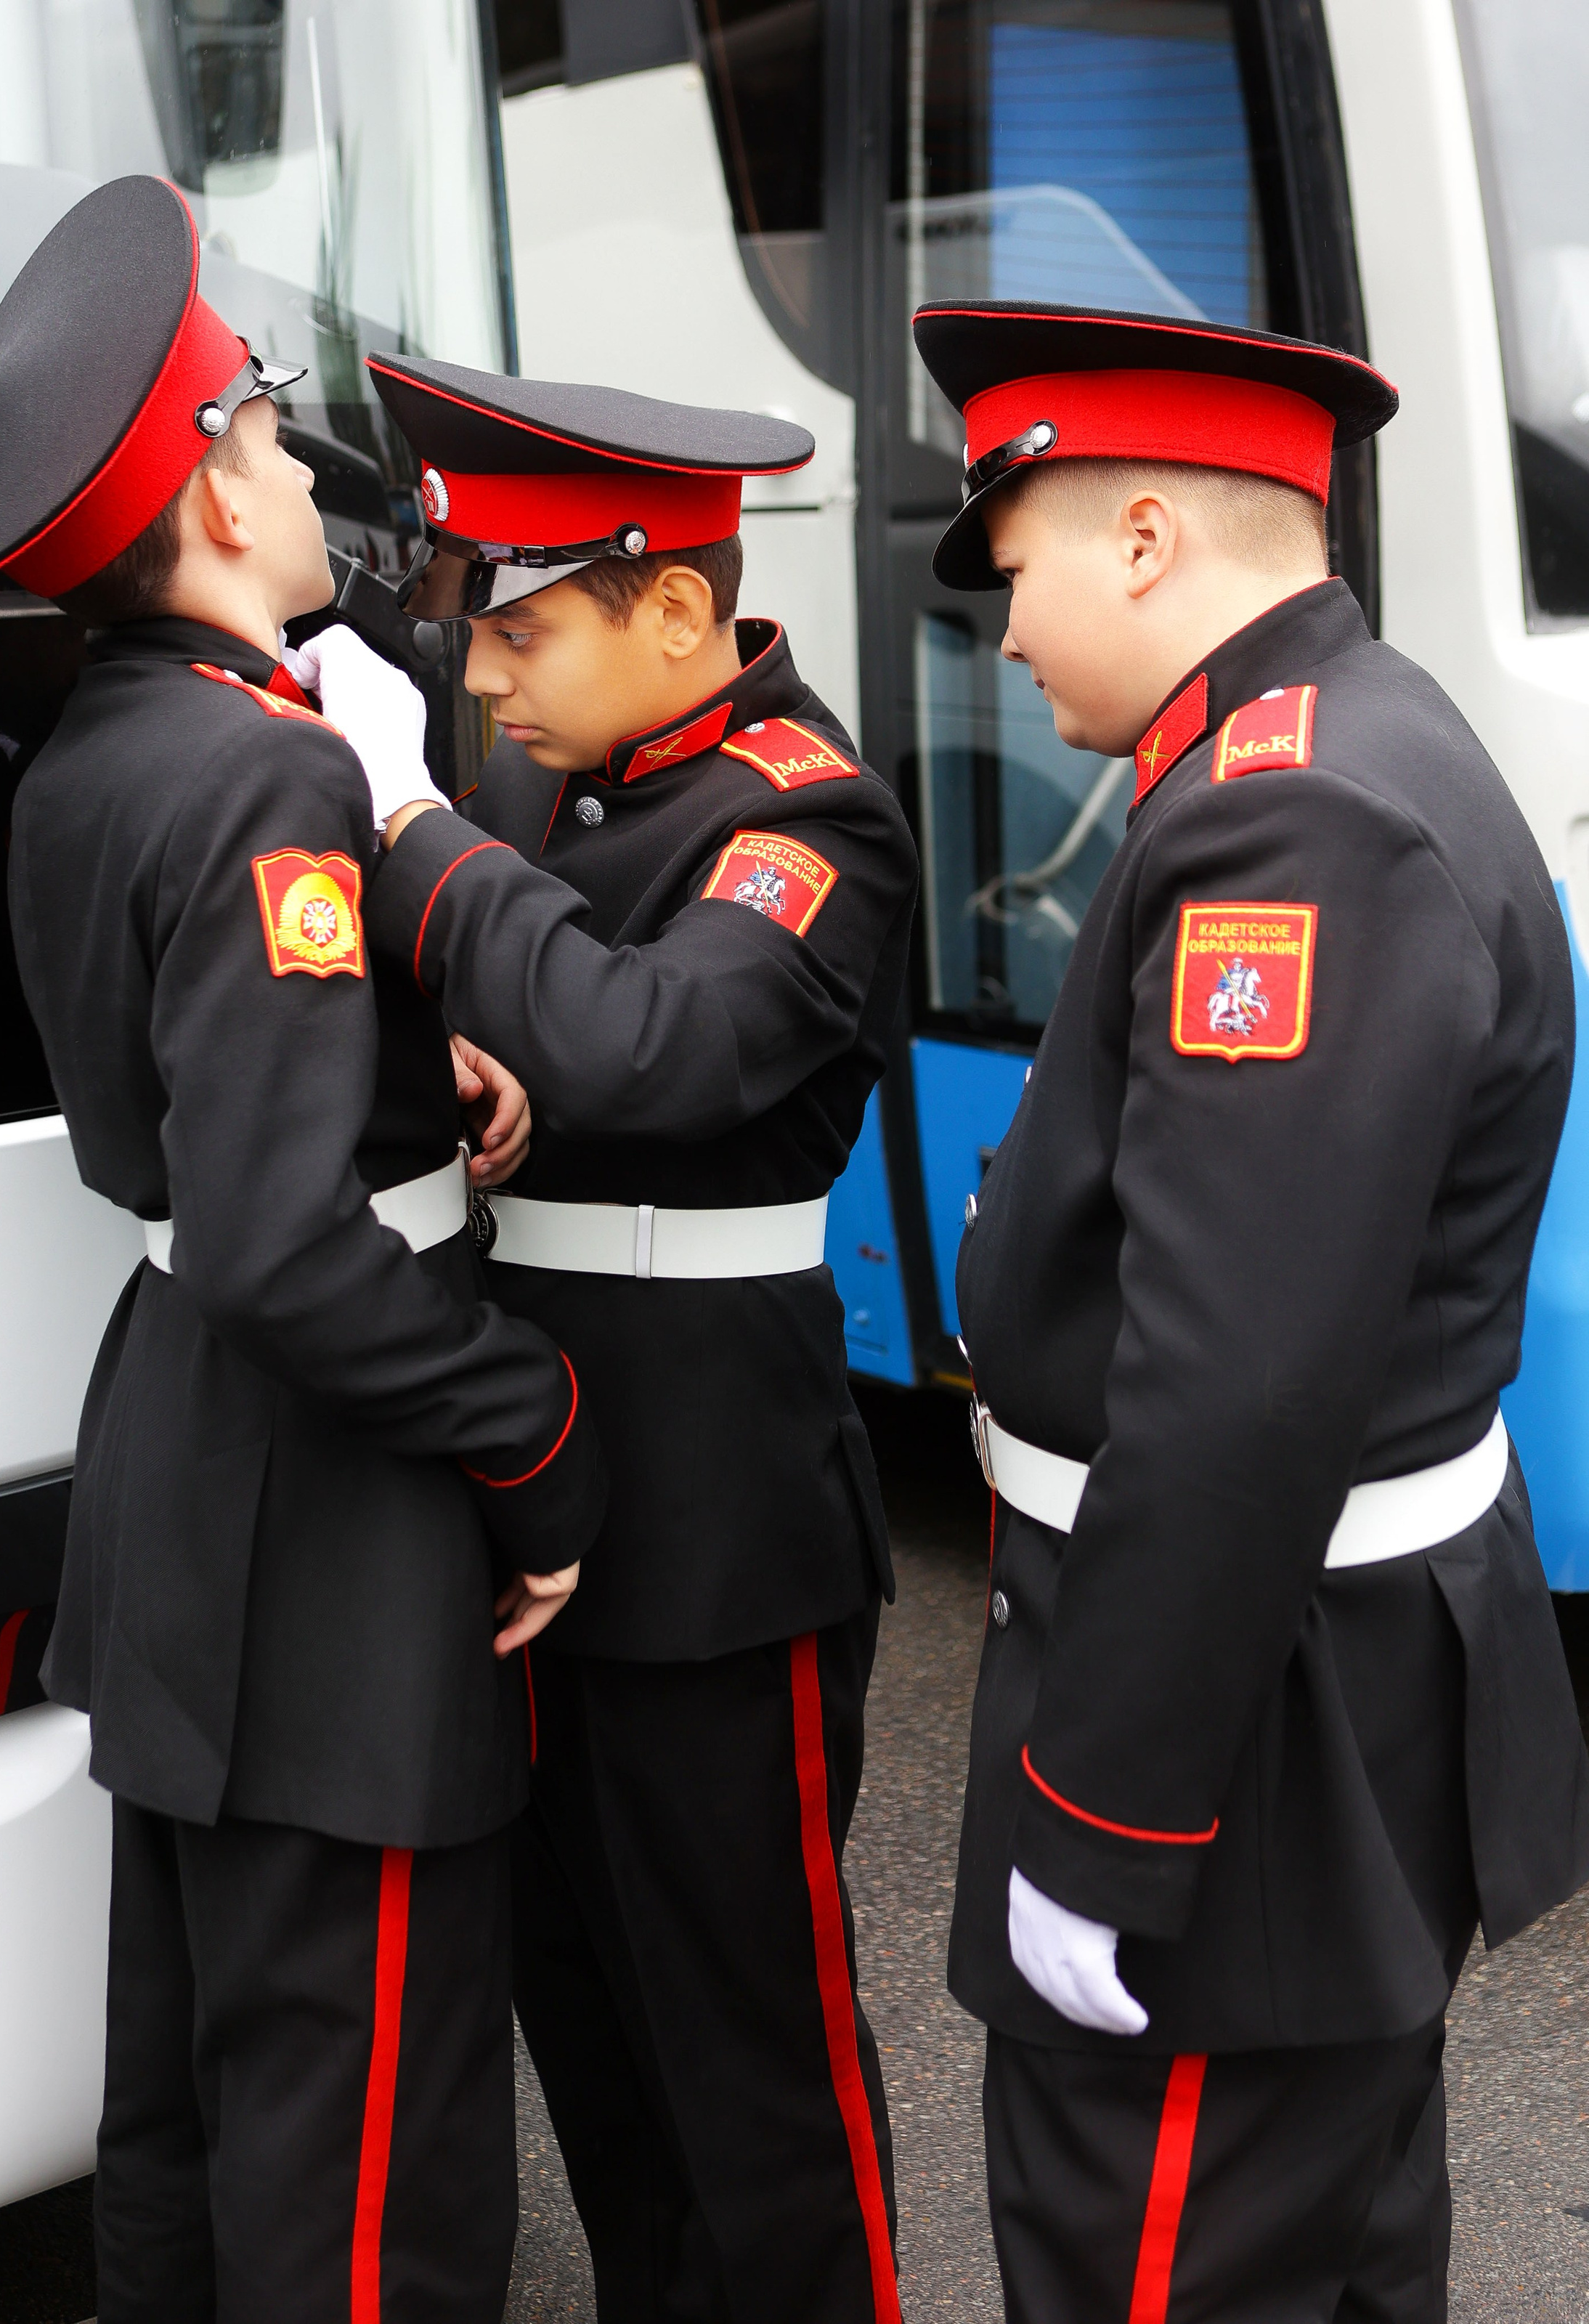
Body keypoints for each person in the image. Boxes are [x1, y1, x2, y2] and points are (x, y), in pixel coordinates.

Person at [0, 175, 607, 2324]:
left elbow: (203, 1111)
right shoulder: (274, 779)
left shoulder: (94, 752)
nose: (304, 475)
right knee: (366, 2173)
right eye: (278, 435)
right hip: (337, 1531)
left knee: (189, 2133)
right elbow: (293, 1244)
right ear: (215, 494)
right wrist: (532, 1431)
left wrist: (402, 1065)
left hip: (188, 1471)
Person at [914, 299, 1589, 2320]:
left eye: (1016, 570)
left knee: (1168, 2259)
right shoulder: (1346, 735)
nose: (1005, 639)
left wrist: (1103, 1826)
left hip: (1246, 1734)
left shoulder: (1289, 819)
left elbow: (1232, 1395)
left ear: (1142, 537)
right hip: (1304, 1689)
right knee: (1334, 2252)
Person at [294, 354, 917, 2324]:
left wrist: (411, 826)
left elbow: (651, 1046)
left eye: (524, 630)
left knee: (752, 2066)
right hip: (527, 1481)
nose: (484, 680)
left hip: (713, 1516)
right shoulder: (560, 771)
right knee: (591, 2035)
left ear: (672, 607)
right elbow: (530, 1005)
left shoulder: (810, 817)